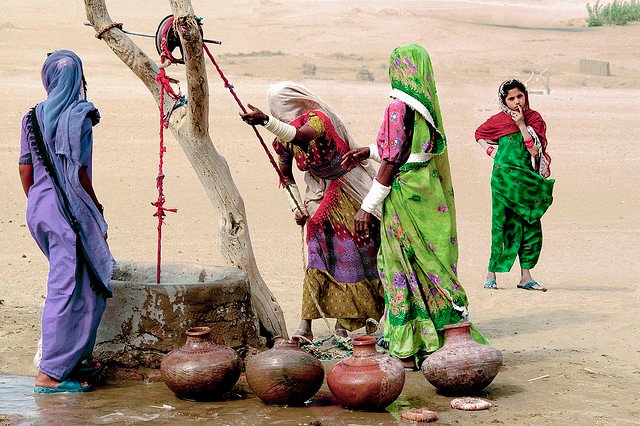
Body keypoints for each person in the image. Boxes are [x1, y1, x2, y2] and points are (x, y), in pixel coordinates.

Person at [342, 44, 488, 369]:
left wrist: (367, 206)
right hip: (428, 195)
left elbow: (394, 162)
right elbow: (413, 154)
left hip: (404, 198)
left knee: (401, 265)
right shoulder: (427, 110)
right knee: (431, 262)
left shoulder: (397, 108)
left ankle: (407, 349)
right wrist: (369, 151)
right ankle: (442, 339)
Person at [240, 82, 384, 341]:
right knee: (317, 256)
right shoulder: (282, 141)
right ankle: (305, 326)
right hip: (319, 194)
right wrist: (295, 206)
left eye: (281, 110)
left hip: (351, 188)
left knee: (354, 255)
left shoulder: (318, 120)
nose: (280, 114)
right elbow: (285, 176)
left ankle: (345, 323)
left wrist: (265, 121)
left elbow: (302, 136)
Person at [19, 50, 115, 393]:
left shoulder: (32, 116)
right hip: (69, 215)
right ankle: (50, 374)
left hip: (40, 210)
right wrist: (96, 209)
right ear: (79, 80)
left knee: (79, 280)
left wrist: (39, 200)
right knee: (68, 286)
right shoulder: (80, 117)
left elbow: (25, 168)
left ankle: (74, 360)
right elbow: (81, 174)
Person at [475, 79, 554, 291]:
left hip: (525, 181)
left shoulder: (534, 119)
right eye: (511, 98)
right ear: (504, 101)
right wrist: (492, 152)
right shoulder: (498, 120)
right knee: (500, 225)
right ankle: (491, 272)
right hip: (502, 182)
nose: (517, 101)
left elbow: (535, 152)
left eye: (520, 96)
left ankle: (525, 277)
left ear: (525, 95)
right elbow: (479, 134)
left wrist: (521, 124)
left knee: (530, 225)